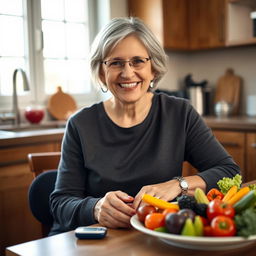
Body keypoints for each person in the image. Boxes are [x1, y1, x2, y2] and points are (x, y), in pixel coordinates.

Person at [49, 17, 240, 235]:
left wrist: (179, 184)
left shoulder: (180, 113)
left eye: (138, 61)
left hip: (156, 236)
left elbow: (230, 172)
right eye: (115, 62)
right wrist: (95, 208)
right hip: (96, 241)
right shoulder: (80, 124)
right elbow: (60, 204)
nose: (127, 73)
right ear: (102, 72)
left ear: (153, 69)